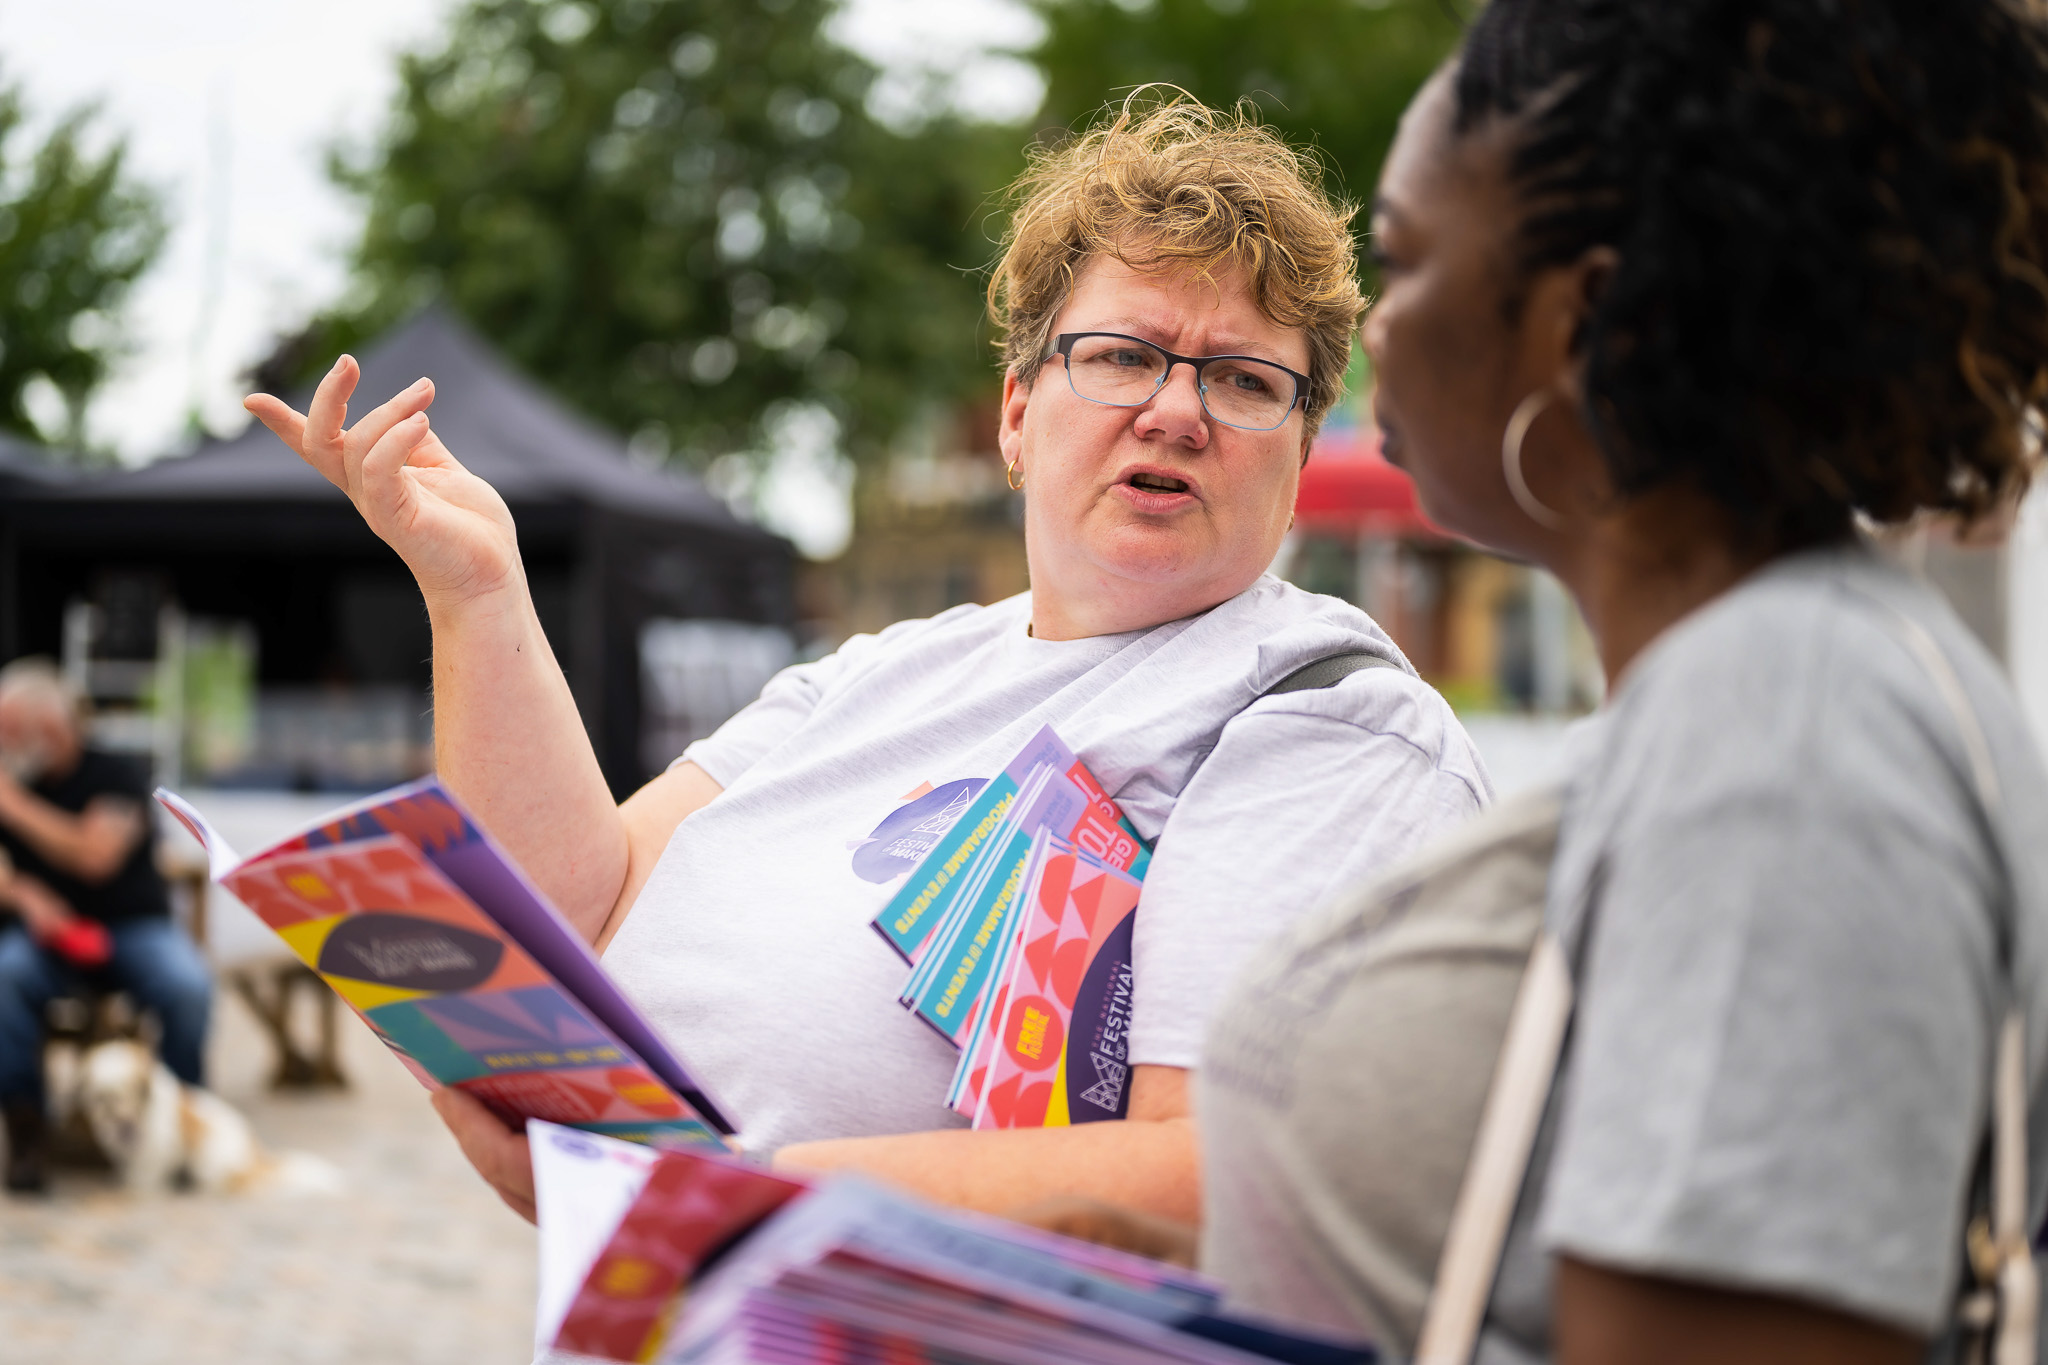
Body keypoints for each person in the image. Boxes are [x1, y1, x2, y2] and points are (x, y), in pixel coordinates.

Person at [243, 96, 1492, 1224]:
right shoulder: (873, 673)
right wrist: (474, 591)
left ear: (1295, 463)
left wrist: (709, 1200)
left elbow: (1227, 1179)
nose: (1176, 409)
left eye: (1242, 378)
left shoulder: (1326, 722)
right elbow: (573, 912)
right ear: (1015, 414)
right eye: (1121, 356)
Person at [1139, 1, 2048, 1360]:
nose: (1380, 321)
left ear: (1579, 320)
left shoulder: (1785, 723)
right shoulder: (1765, 685)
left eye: (1403, 256)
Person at [0, 658, 214, 1194]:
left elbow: (98, 856)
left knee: (188, 985)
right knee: (5, 979)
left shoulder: (117, 772)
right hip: (47, 938)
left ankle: (186, 1120)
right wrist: (25, 893)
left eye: (8, 729)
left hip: (132, 927)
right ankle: (27, 1130)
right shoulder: (20, 779)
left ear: (48, 727)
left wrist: (13, 805)